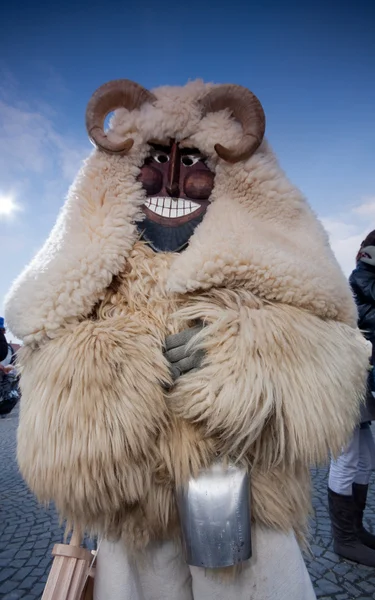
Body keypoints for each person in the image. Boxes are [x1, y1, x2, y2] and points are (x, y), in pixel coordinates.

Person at [5, 79, 369, 600]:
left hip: (244, 497)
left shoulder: (267, 262)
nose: (174, 181)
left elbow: (334, 355)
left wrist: (244, 357)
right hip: (136, 508)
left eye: (196, 161)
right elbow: (47, 374)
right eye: (156, 157)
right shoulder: (96, 271)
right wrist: (112, 368)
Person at [328, 230, 375, 566]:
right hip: (346, 377)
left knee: (365, 458)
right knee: (345, 458)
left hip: (359, 378)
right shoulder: (361, 278)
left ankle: (355, 529)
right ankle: (344, 538)